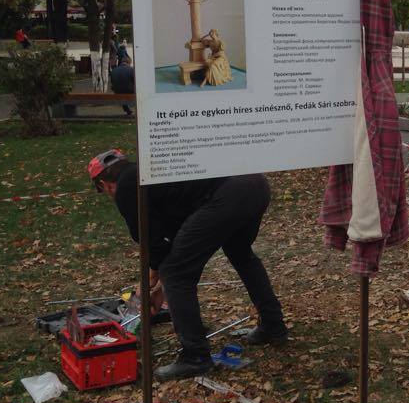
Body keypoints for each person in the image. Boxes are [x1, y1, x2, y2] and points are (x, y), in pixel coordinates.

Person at [88, 150, 288, 380]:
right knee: (241, 254)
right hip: (253, 183)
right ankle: (273, 325)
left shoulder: (126, 186)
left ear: (104, 184)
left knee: (176, 273)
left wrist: (154, 278)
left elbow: (153, 241)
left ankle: (195, 357)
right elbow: (176, 236)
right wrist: (159, 284)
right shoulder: (150, 174)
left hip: (227, 194)